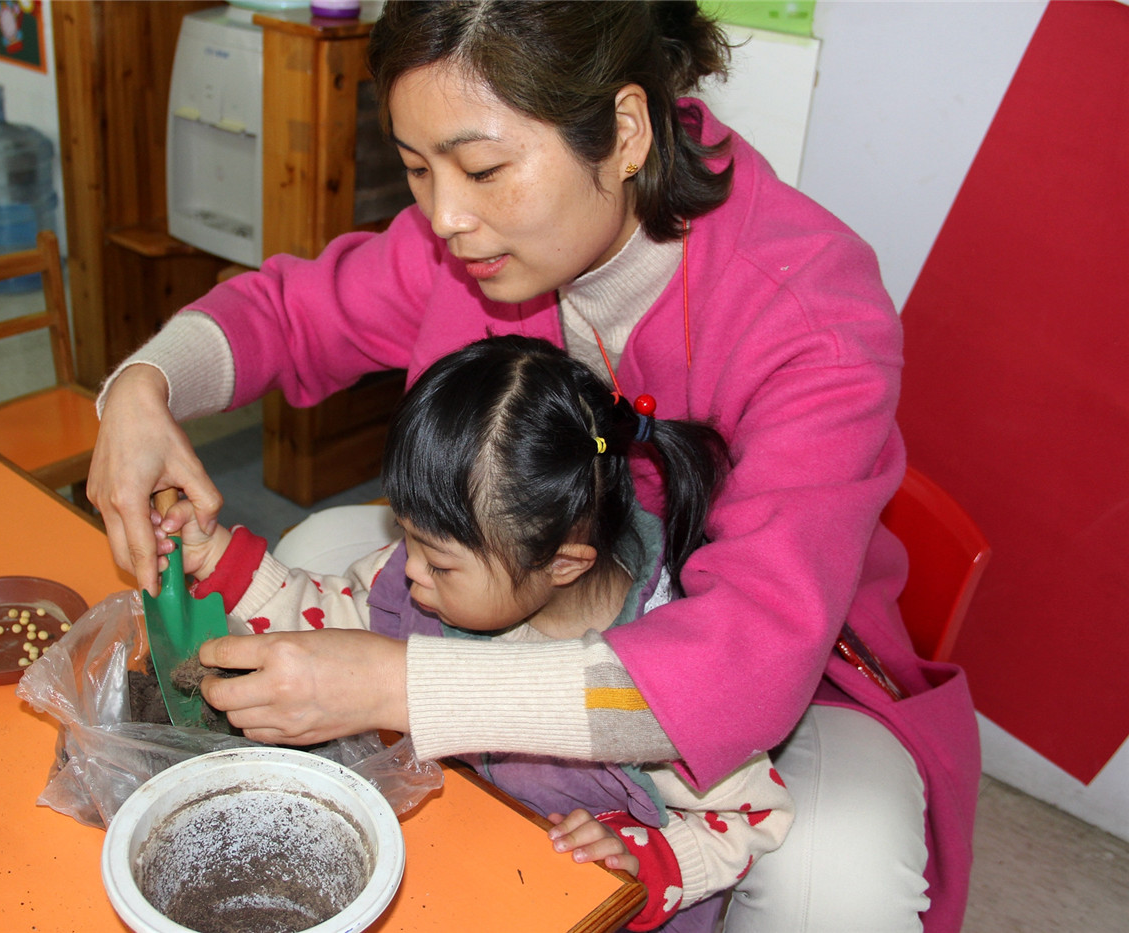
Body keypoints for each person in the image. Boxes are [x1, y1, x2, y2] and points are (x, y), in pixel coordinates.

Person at [89, 3, 979, 930]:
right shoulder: (477, 242)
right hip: (521, 581)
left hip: (792, 684)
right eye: (416, 168)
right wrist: (143, 386)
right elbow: (293, 312)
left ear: (626, 132)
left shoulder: (812, 317)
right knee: (318, 546)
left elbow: (741, 662)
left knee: (838, 889)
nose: (444, 216)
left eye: (482, 169)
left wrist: (395, 683)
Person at [163, 335, 794, 931]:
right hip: (468, 859)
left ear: (562, 564)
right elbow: (335, 623)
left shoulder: (658, 675)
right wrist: (220, 558)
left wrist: (652, 855)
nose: (407, 569)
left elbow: (756, 814)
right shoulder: (421, 583)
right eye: (405, 536)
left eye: (438, 561)